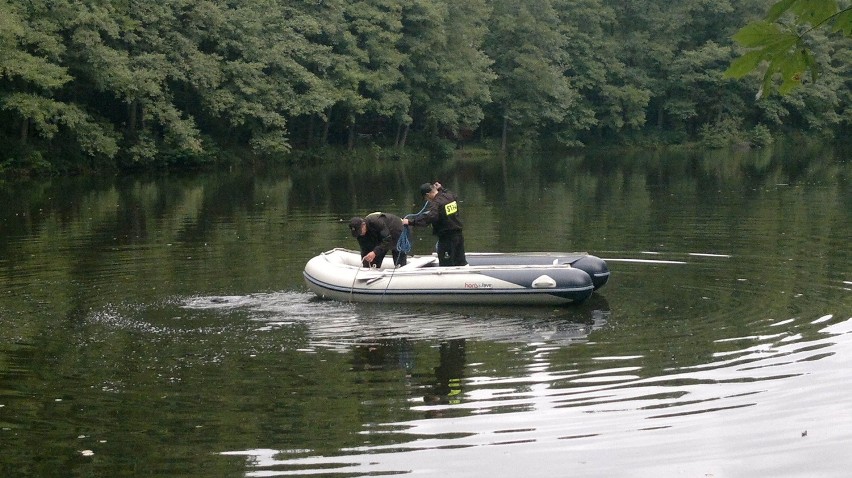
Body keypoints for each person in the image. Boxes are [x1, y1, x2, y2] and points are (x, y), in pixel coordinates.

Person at [402, 181, 467, 266]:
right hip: (458, 236)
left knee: (446, 263)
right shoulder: (449, 196)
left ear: (428, 194)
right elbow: (454, 195)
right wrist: (441, 188)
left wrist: (411, 222)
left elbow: (430, 218)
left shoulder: (436, 203)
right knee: (460, 262)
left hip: (447, 238)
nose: (427, 200)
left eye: (426, 198)